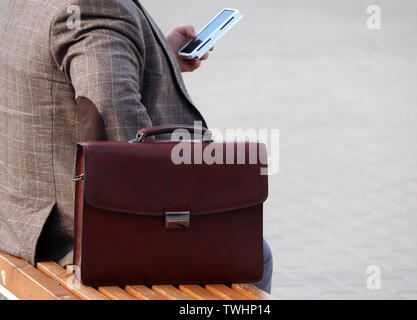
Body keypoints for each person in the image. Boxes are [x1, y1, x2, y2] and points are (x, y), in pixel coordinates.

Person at [0, 0, 272, 293]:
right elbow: (115, 117)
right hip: (76, 237)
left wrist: (159, 55)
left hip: (22, 222)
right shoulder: (97, 7)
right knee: (256, 253)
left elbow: (78, 65)